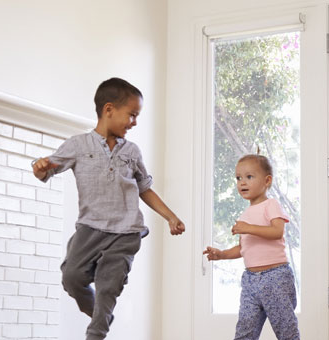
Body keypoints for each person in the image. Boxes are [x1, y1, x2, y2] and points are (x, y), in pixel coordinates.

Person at [31, 77, 187, 340]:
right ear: (109, 109)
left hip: (125, 232)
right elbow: (48, 168)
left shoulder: (132, 152)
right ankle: (101, 315)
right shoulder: (78, 145)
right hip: (89, 229)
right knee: (71, 277)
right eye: (132, 115)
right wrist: (40, 167)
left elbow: (144, 188)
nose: (134, 122)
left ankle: (96, 333)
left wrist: (170, 216)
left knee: (107, 286)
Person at [202, 154, 299, 340]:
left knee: (286, 329)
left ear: (267, 180)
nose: (242, 183)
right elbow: (244, 248)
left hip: (275, 277)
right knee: (245, 330)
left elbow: (277, 232)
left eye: (249, 177)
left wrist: (248, 228)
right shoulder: (246, 213)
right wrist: (221, 254)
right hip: (250, 280)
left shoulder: (271, 205)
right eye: (238, 178)